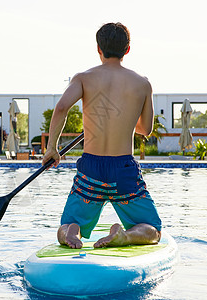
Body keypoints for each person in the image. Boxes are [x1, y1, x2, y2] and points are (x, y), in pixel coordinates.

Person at [42, 22, 161, 249]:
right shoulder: (142, 84)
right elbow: (145, 129)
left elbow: (61, 108)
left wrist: (52, 149)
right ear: (127, 50)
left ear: (98, 48)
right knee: (151, 229)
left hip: (91, 170)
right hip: (123, 171)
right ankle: (125, 236)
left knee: (67, 224)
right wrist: (123, 120)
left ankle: (72, 232)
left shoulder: (83, 78)